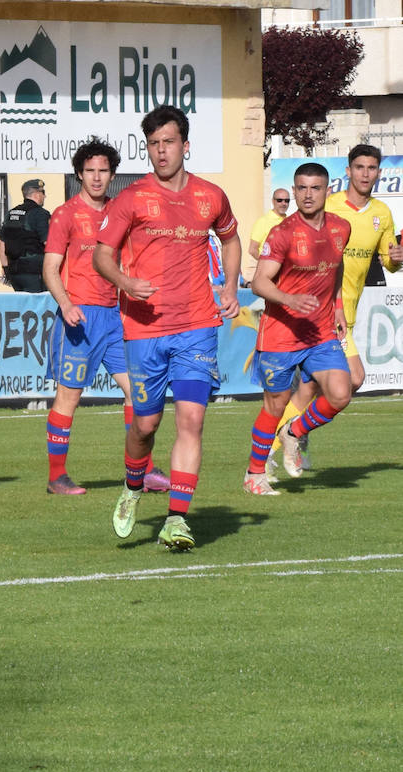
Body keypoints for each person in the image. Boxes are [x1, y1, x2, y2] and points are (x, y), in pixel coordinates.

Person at [93, 105, 241, 552]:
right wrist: (123, 281)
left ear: (185, 145)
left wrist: (231, 285)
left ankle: (177, 519)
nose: (161, 151)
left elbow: (231, 238)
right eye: (154, 144)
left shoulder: (211, 196)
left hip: (197, 324)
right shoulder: (131, 198)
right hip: (144, 329)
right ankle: (133, 485)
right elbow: (102, 254)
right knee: (146, 423)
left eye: (169, 142)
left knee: (191, 419)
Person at [40, 138, 170, 496]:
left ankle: (141, 471)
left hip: (116, 318)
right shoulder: (65, 215)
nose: (97, 178)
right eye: (90, 171)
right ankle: (57, 477)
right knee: (69, 397)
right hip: (79, 319)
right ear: (79, 174)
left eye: (103, 171)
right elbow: (50, 268)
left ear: (113, 175)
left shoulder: (119, 212)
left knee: (138, 393)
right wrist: (66, 305)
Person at [270, 144, 403, 471]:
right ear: (348, 171)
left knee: (310, 388)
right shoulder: (328, 206)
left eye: (371, 168)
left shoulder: (381, 214)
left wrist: (396, 260)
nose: (365, 174)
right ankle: (291, 434)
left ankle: (271, 452)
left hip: (349, 314)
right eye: (359, 167)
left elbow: (387, 260)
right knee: (354, 378)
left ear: (379, 173)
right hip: (324, 312)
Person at [243, 162, 352, 495]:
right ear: (293, 192)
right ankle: (254, 475)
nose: (307, 195)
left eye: (315, 188)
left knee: (341, 393)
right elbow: (259, 282)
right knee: (274, 406)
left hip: (319, 332)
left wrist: (337, 307)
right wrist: (289, 298)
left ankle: (294, 432)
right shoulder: (283, 233)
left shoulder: (341, 228)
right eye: (301, 188)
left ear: (327, 190)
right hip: (281, 334)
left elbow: (336, 264)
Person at [0, 178, 50, 292]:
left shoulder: (10, 214)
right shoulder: (40, 214)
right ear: (36, 194)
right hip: (34, 273)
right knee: (39, 308)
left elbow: (2, 244)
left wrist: (5, 269)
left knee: (22, 307)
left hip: (14, 273)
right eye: (43, 193)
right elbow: (48, 243)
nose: (44, 196)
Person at [247, 188, 290, 262]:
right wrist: (267, 265)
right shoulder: (263, 221)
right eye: (279, 200)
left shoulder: (289, 221)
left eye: (287, 201)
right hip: (270, 271)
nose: (283, 203)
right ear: (273, 201)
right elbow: (252, 250)